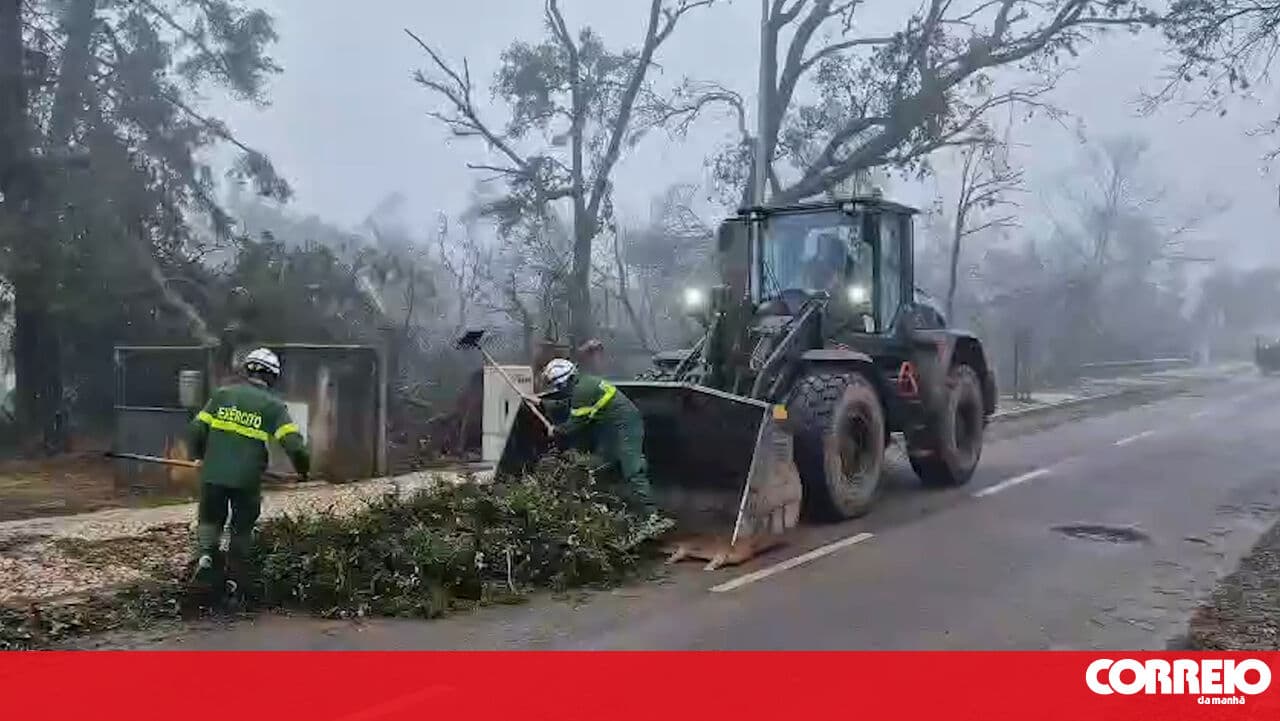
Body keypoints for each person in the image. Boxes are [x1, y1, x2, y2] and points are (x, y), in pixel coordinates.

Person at [187, 347, 310, 594]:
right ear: (272, 377)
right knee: (242, 527)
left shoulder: (222, 395)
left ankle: (205, 559)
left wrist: (199, 456)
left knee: (210, 519)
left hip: (213, 475)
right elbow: (293, 444)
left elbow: (197, 428)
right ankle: (234, 576)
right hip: (247, 480)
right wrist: (303, 470)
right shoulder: (273, 406)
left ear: (246, 370)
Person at [537, 358, 655, 513]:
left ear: (566, 381)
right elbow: (570, 403)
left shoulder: (583, 390)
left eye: (558, 385)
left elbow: (574, 423)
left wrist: (556, 430)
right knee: (602, 462)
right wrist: (542, 403)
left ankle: (651, 515)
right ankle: (611, 502)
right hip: (611, 428)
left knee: (632, 467)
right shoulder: (583, 383)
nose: (558, 388)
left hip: (625, 426)